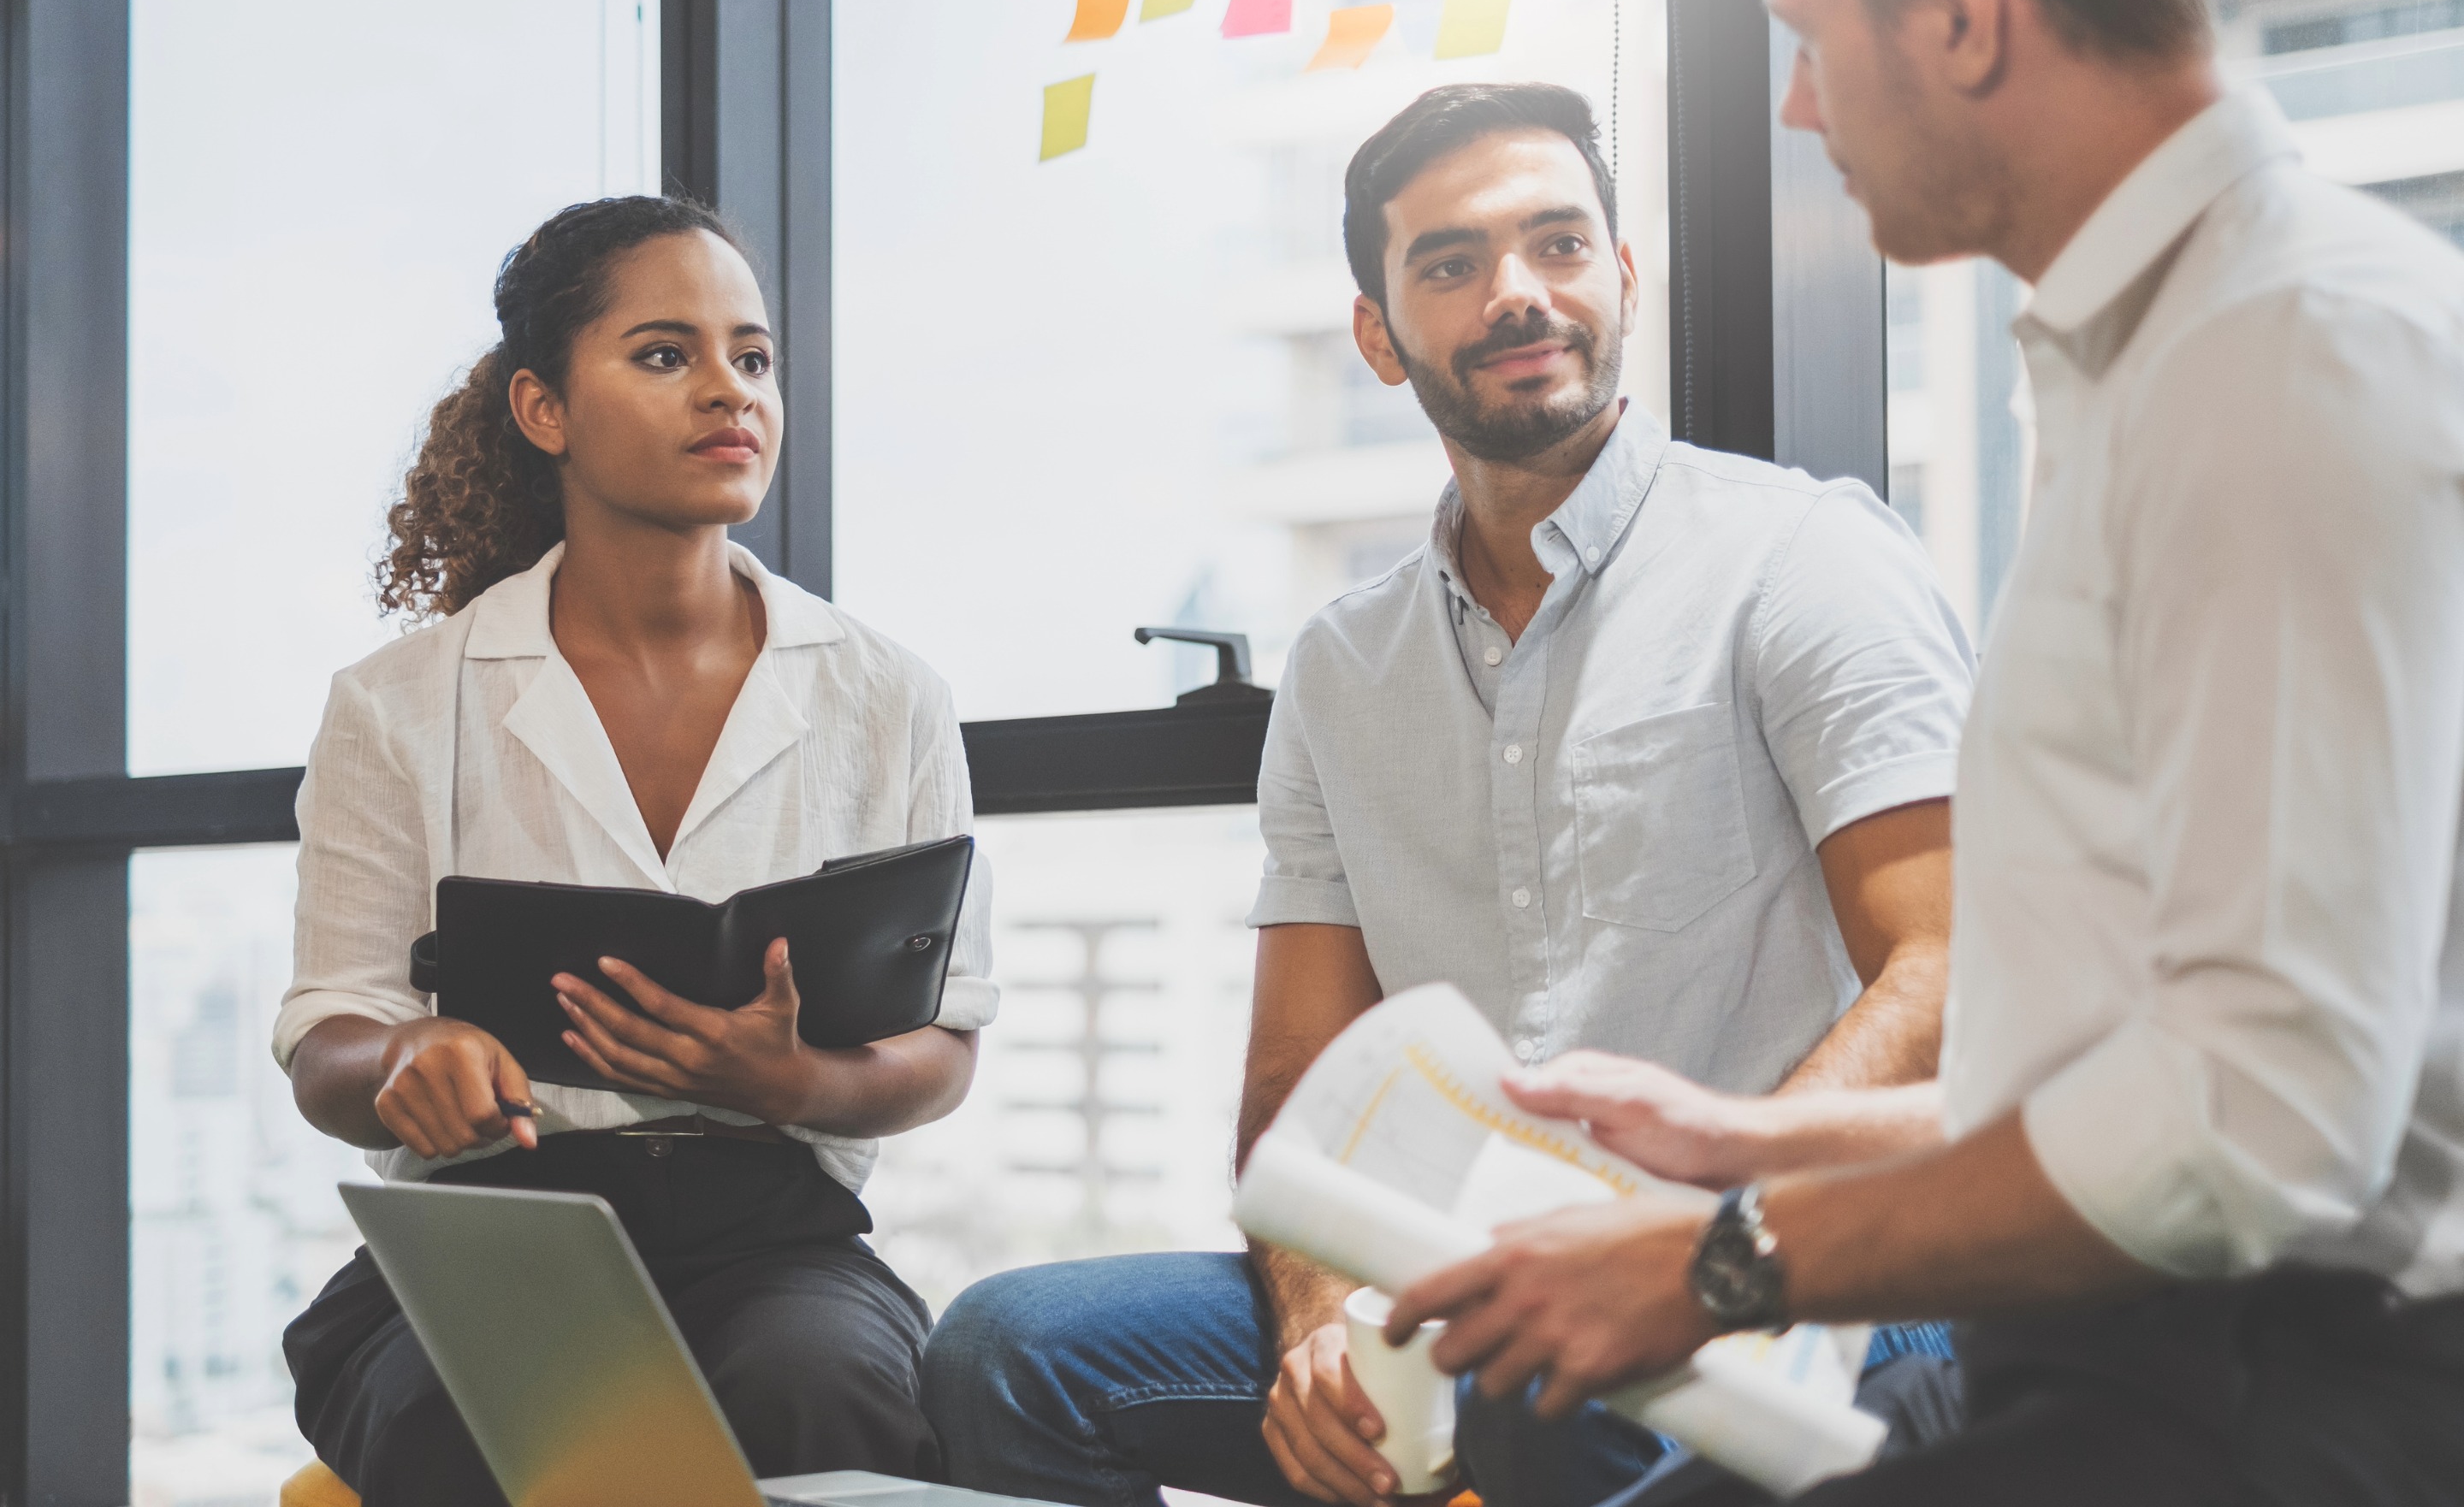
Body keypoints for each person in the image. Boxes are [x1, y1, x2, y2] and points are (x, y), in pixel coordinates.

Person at [1382, 0, 2464, 1502]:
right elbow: (2129, 1077)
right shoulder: (2141, 362)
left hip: (2294, 1385)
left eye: (1809, 39)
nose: (1801, 104)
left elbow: (2257, 1128)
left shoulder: (2284, 359)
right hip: (2153, 1342)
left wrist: (1719, 1259)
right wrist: (1741, 1140)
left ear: (1960, 17)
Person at [922, 83, 1975, 1507]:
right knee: (1012, 1352)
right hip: (1472, 1284)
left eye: (1557, 243)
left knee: (1537, 1399)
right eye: (1452, 264)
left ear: (1622, 275)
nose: (1519, 295)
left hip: (1802, 1259)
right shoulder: (1343, 670)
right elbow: (1298, 1080)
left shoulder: (1801, 560)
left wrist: (1694, 1241)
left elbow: (1945, 972)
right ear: (1378, 333)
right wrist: (1314, 1323)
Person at [274, 196, 998, 1507]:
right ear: (544, 409)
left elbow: (942, 1048)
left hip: (775, 1235)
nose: (731, 391)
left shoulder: (889, 695)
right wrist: (402, 1056)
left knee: (824, 1393)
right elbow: (328, 1040)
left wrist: (797, 1083)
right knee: (464, 1417)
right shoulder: (398, 703)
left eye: (754, 357)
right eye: (666, 354)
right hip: (491, 1230)